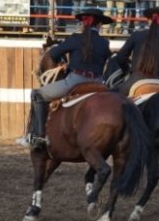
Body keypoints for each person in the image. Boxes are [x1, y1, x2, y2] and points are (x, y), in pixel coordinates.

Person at [16, 8, 112, 148]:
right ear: (99, 25)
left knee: (37, 94)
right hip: (98, 82)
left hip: (75, 80)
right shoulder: (104, 43)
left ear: (83, 24)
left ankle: (38, 136)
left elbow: (53, 54)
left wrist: (65, 64)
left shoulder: (75, 38)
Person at [115, 7, 159, 95]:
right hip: (158, 81)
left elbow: (121, 57)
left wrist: (127, 70)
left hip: (136, 79)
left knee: (115, 96)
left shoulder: (136, 35)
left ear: (149, 21)